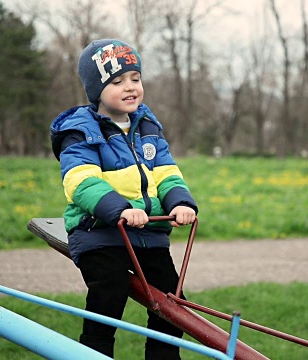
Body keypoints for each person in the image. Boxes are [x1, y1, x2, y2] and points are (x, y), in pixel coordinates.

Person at [49, 39, 198, 359]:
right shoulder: (81, 130)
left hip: (146, 236)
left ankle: (162, 356)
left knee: (173, 303)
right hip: (100, 234)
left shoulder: (147, 126)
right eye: (117, 82)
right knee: (109, 293)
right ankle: (94, 352)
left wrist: (180, 203)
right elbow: (80, 181)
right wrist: (121, 208)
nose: (130, 87)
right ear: (96, 90)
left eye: (135, 78)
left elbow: (167, 173)